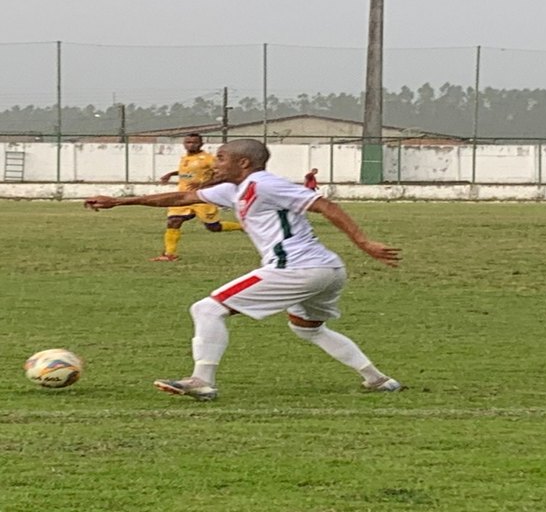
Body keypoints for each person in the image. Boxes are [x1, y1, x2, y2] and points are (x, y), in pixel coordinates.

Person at [85, 139, 402, 400]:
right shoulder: (233, 189)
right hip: (326, 270)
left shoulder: (264, 184)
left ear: (244, 164)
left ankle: (201, 381)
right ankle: (377, 379)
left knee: (207, 309)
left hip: (296, 268)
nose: (215, 163)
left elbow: (323, 205)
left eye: (221, 158)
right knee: (307, 328)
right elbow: (182, 195)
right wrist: (119, 202)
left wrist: (363, 242)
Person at [151, 133, 243, 262]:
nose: (191, 145)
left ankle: (242, 227)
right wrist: (171, 174)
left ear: (201, 144)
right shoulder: (185, 158)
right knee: (173, 221)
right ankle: (169, 254)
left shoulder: (208, 159)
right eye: (188, 142)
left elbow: (223, 175)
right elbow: (188, 173)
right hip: (182, 197)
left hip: (202, 197)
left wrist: (202, 184)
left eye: (194, 142)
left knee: (213, 227)